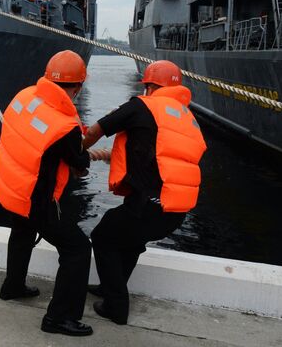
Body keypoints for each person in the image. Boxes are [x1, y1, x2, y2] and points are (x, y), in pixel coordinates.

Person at [82, 60, 207, 326]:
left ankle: (116, 306)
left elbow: (95, 131)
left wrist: (77, 152)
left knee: (103, 236)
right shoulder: (185, 115)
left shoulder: (141, 106)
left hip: (147, 205)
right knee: (131, 240)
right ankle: (109, 288)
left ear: (149, 85)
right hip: (176, 209)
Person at [0, 50, 94, 337]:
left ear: (47, 77)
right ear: (78, 87)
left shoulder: (24, 95)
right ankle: (59, 318)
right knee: (77, 249)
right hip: (34, 198)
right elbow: (80, 162)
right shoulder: (66, 126)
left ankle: (13, 286)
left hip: (8, 186)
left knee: (22, 232)